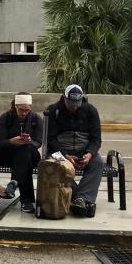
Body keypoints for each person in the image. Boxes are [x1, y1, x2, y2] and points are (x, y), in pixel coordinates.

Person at [44, 84, 103, 217]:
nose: (74, 107)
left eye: (77, 103)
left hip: (83, 150)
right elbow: (50, 139)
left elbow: (96, 139)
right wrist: (65, 156)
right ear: (64, 98)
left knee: (97, 163)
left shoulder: (91, 111)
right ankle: (80, 198)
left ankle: (82, 198)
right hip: (60, 151)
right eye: (71, 103)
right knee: (54, 165)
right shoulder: (53, 110)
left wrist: (89, 154)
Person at [0, 92, 42, 213]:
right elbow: (0, 143)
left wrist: (29, 142)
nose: (24, 113)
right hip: (9, 154)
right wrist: (12, 141)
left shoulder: (36, 119)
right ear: (15, 106)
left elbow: (38, 142)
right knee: (24, 160)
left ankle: (14, 182)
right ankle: (27, 200)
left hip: (30, 152)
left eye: (27, 110)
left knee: (24, 152)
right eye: (21, 110)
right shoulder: (5, 118)